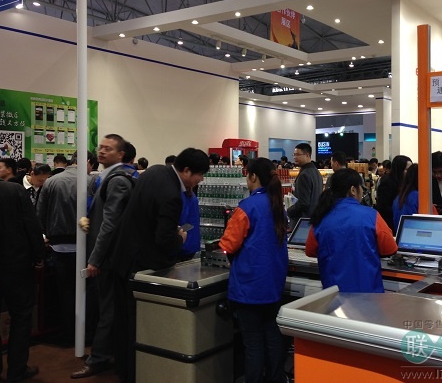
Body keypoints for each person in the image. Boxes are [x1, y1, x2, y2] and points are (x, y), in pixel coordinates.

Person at [111, 148, 210, 382]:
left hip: (122, 257)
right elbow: (164, 239)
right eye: (200, 175)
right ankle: (136, 373)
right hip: (140, 265)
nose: (201, 180)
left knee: (123, 323)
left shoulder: (154, 172)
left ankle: (124, 370)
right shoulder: (172, 195)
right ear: (187, 171)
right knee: (138, 326)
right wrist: (180, 237)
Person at [219, 158, 288, 383]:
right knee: (273, 336)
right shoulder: (278, 205)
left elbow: (228, 245)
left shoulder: (246, 207)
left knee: (253, 343)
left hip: (249, 287)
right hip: (273, 285)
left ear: (253, 176)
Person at [0, 152, 44, 382]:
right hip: (18, 266)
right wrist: (39, 256)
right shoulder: (15, 190)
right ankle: (17, 370)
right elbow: (32, 226)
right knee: (21, 317)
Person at [72, 134, 134, 379]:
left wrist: (95, 258)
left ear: (121, 154)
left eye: (108, 148)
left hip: (109, 258)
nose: (102, 151)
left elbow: (110, 224)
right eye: (101, 147)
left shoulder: (118, 180)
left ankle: (98, 358)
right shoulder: (109, 177)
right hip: (110, 255)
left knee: (107, 309)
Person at [36, 151, 96, 346]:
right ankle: (86, 333)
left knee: (65, 291)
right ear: (88, 162)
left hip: (59, 245)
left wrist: (46, 234)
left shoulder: (52, 181)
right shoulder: (92, 182)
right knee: (87, 291)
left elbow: (41, 214)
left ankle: (69, 333)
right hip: (86, 246)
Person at [305, 168, 397, 292]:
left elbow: (310, 251)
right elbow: (390, 248)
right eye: (361, 188)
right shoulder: (371, 215)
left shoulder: (320, 217)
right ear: (353, 190)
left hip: (333, 295)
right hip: (369, 294)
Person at [287, 143, 323, 230]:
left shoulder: (304, 174)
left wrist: (289, 211)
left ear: (307, 155)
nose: (295, 157)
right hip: (313, 220)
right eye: (294, 155)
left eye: (298, 155)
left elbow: (303, 203)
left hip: (302, 222)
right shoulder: (316, 172)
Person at [375, 155, 412, 232]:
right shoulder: (387, 183)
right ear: (399, 169)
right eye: (407, 169)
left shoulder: (407, 183)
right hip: (391, 225)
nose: (409, 172)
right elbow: (383, 207)